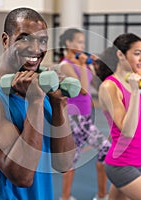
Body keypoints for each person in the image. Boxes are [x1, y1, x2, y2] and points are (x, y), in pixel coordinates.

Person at [0, 7, 76, 200]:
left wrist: (58, 103)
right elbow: (21, 176)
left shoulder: (41, 89)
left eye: (42, 40)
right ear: (6, 40)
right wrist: (35, 102)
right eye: (24, 38)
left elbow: (64, 164)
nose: (36, 48)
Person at [97, 33, 141, 200]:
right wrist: (136, 91)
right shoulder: (109, 86)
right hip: (122, 165)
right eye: (137, 53)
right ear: (120, 54)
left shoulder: (130, 84)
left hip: (137, 162)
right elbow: (127, 131)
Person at [58, 28, 111, 200]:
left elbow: (97, 84)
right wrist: (82, 65)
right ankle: (102, 195)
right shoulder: (65, 65)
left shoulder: (82, 64)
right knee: (105, 149)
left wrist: (95, 66)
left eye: (83, 42)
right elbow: (83, 91)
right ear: (68, 43)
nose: (82, 45)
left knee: (72, 159)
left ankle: (65, 198)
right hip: (75, 119)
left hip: (85, 117)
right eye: (79, 42)